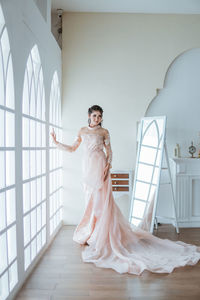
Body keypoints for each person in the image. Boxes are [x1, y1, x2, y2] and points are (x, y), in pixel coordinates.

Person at [50, 105, 200, 275]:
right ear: (89, 116)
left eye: (99, 116)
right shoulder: (82, 131)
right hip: (87, 171)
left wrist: (108, 166)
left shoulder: (104, 132)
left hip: (100, 168)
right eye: (94, 116)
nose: (97, 119)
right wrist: (56, 143)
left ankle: (103, 235)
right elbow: (72, 148)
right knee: (90, 204)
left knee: (101, 204)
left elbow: (110, 152)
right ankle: (92, 234)